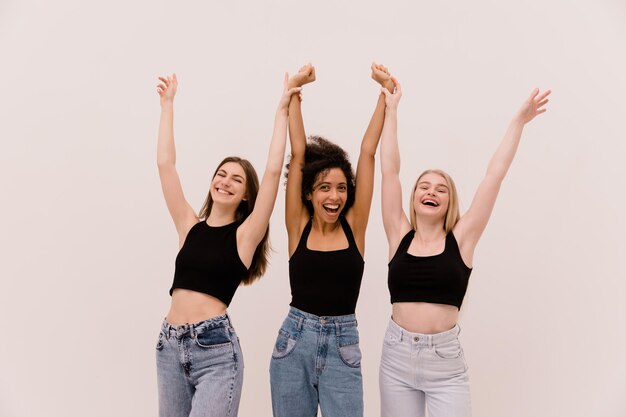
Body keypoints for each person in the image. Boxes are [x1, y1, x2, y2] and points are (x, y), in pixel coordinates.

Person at [378, 78, 550, 417]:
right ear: (413, 197)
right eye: (424, 186)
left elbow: (493, 175)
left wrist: (518, 122)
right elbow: (389, 171)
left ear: (449, 200)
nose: (432, 191)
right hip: (396, 359)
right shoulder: (398, 232)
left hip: (445, 365)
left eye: (441, 188)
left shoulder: (463, 238)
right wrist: (392, 109)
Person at [154, 73, 300, 417]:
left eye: (237, 179)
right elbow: (165, 165)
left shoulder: (245, 236)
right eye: (221, 174)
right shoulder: (188, 225)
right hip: (168, 347)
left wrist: (282, 111)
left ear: (246, 193)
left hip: (215, 351)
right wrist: (168, 106)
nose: (226, 181)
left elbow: (272, 170)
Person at [269, 63, 395, 417]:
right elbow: (297, 152)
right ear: (309, 193)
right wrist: (294, 92)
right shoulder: (298, 226)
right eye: (324, 187)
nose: (334, 196)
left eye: (341, 188)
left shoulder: (354, 227)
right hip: (294, 343)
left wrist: (384, 95)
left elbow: (367, 152)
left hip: (343, 345)